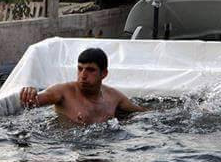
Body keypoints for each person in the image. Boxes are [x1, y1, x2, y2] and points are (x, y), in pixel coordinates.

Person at [18, 48, 148, 125]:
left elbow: (145, 114)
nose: (83, 75)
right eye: (80, 69)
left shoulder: (114, 97)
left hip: (104, 149)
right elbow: (31, 102)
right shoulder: (63, 92)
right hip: (64, 149)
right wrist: (31, 91)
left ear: (104, 73)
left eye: (90, 70)